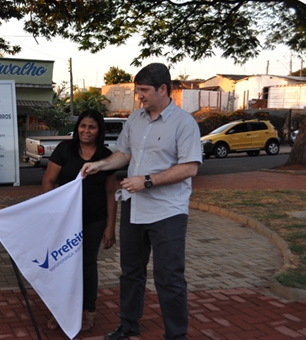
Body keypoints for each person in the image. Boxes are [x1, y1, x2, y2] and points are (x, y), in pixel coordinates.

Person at [81, 63, 202, 340]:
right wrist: (99, 165)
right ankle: (128, 325)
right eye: (138, 90)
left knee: (169, 277)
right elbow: (124, 154)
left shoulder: (184, 123)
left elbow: (190, 168)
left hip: (168, 212)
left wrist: (146, 180)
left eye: (144, 90)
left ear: (163, 89)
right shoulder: (135, 119)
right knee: (130, 273)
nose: (139, 96)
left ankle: (176, 335)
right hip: (134, 208)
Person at [42, 109, 117, 332]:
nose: (86, 130)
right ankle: (60, 310)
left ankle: (88, 310)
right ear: (77, 128)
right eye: (83, 126)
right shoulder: (65, 149)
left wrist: (111, 226)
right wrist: (54, 213)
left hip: (94, 220)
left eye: (92, 127)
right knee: (63, 264)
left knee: (87, 264)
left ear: (99, 130)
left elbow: (111, 192)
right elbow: (48, 182)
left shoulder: (106, 156)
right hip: (65, 220)